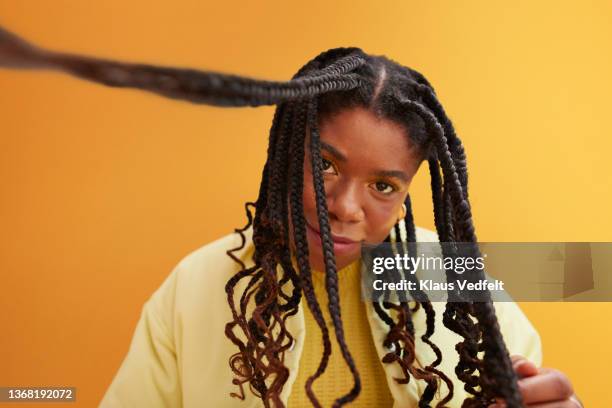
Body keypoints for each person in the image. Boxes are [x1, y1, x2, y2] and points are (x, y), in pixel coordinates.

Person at [0, 25, 583, 407]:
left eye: (383, 185)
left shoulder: (453, 279)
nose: (346, 207)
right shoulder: (194, 287)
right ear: (285, 152)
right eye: (324, 165)